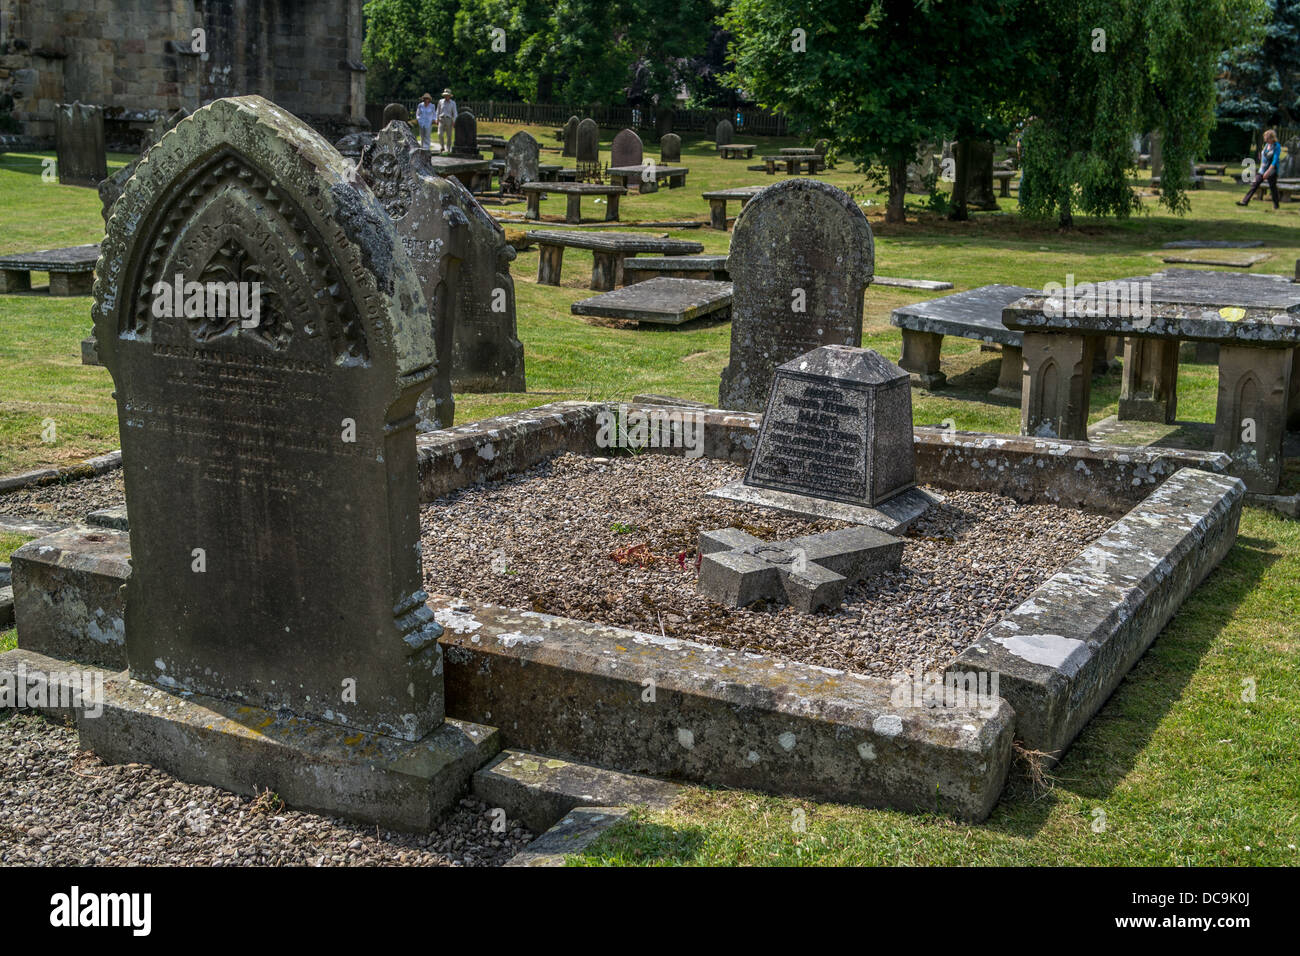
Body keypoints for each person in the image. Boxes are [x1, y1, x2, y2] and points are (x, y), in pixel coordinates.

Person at [1237, 129, 1280, 209]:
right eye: (1265, 138)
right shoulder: (1267, 145)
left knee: (1273, 188)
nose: (1265, 140)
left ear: (1271, 138)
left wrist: (1268, 171)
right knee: (1254, 185)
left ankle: (1276, 205)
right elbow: (1265, 155)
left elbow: (1275, 160)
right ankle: (1244, 201)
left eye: (1267, 138)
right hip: (1262, 170)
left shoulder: (1276, 146)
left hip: (1272, 170)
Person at [437, 88, 457, 153]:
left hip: (449, 120)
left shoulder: (453, 103)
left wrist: (454, 121)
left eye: (447, 95)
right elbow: (438, 111)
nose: (446, 96)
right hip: (441, 119)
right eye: (445, 95)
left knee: (449, 135)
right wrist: (436, 119)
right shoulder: (440, 101)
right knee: (440, 134)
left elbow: (455, 113)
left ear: (450, 96)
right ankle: (442, 147)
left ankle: (448, 148)